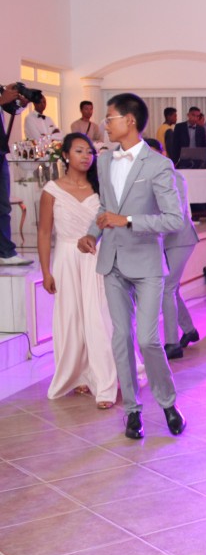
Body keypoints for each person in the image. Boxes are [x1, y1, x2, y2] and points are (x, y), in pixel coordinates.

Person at [77, 93, 186, 440]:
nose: (105, 124)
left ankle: (168, 402)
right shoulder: (106, 161)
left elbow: (174, 219)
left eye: (110, 118)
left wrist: (126, 220)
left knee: (148, 339)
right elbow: (105, 209)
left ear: (130, 121)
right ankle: (132, 411)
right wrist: (92, 233)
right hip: (112, 262)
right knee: (121, 338)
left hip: (147, 263)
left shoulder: (158, 165)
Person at [38, 133, 118, 408]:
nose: (86, 156)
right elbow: (44, 232)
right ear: (65, 156)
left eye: (90, 152)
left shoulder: (100, 188)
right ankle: (78, 375)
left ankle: (106, 383)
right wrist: (46, 272)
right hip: (65, 258)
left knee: (100, 317)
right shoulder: (52, 190)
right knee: (70, 319)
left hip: (96, 257)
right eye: (79, 151)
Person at [139, 138, 200, 359]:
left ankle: (172, 344)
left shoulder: (176, 177)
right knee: (171, 288)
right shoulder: (145, 178)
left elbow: (177, 215)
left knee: (166, 287)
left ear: (163, 153)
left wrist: (147, 229)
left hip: (181, 239)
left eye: (155, 153)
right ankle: (190, 330)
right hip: (162, 240)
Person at [0, 83, 32, 266]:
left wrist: (21, 103)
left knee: (3, 205)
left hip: (1, 151)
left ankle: (5, 252)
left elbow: (12, 110)